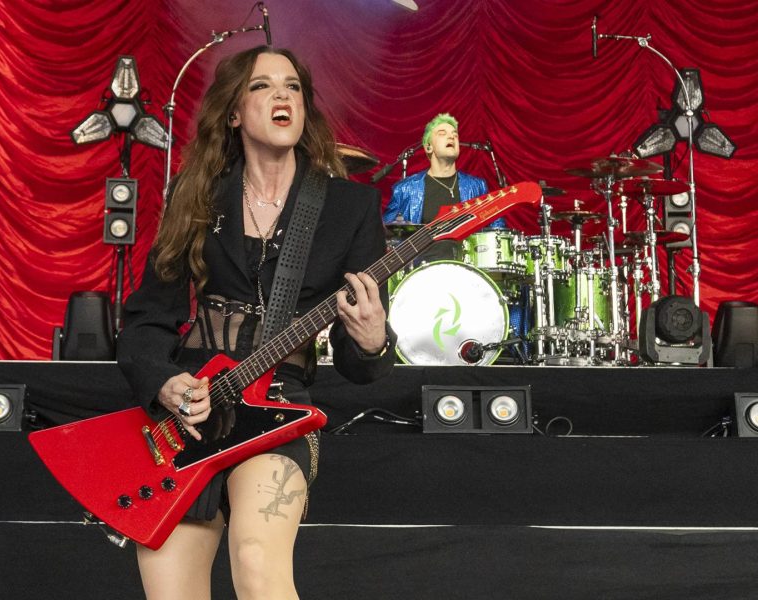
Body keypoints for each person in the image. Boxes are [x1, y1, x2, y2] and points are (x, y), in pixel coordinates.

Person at [116, 46, 397, 600]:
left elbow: (358, 363)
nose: (282, 96)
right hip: (191, 409)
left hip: (280, 407)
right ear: (234, 113)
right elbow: (146, 321)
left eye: (292, 86)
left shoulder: (349, 208)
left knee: (255, 555)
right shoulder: (195, 198)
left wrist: (370, 342)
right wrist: (166, 382)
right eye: (264, 86)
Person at [382, 113, 504, 261]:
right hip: (421, 274)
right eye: (442, 133)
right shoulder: (405, 189)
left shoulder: (476, 186)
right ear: (428, 147)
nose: (451, 137)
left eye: (455, 135)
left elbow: (498, 229)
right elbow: (386, 236)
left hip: (467, 271)